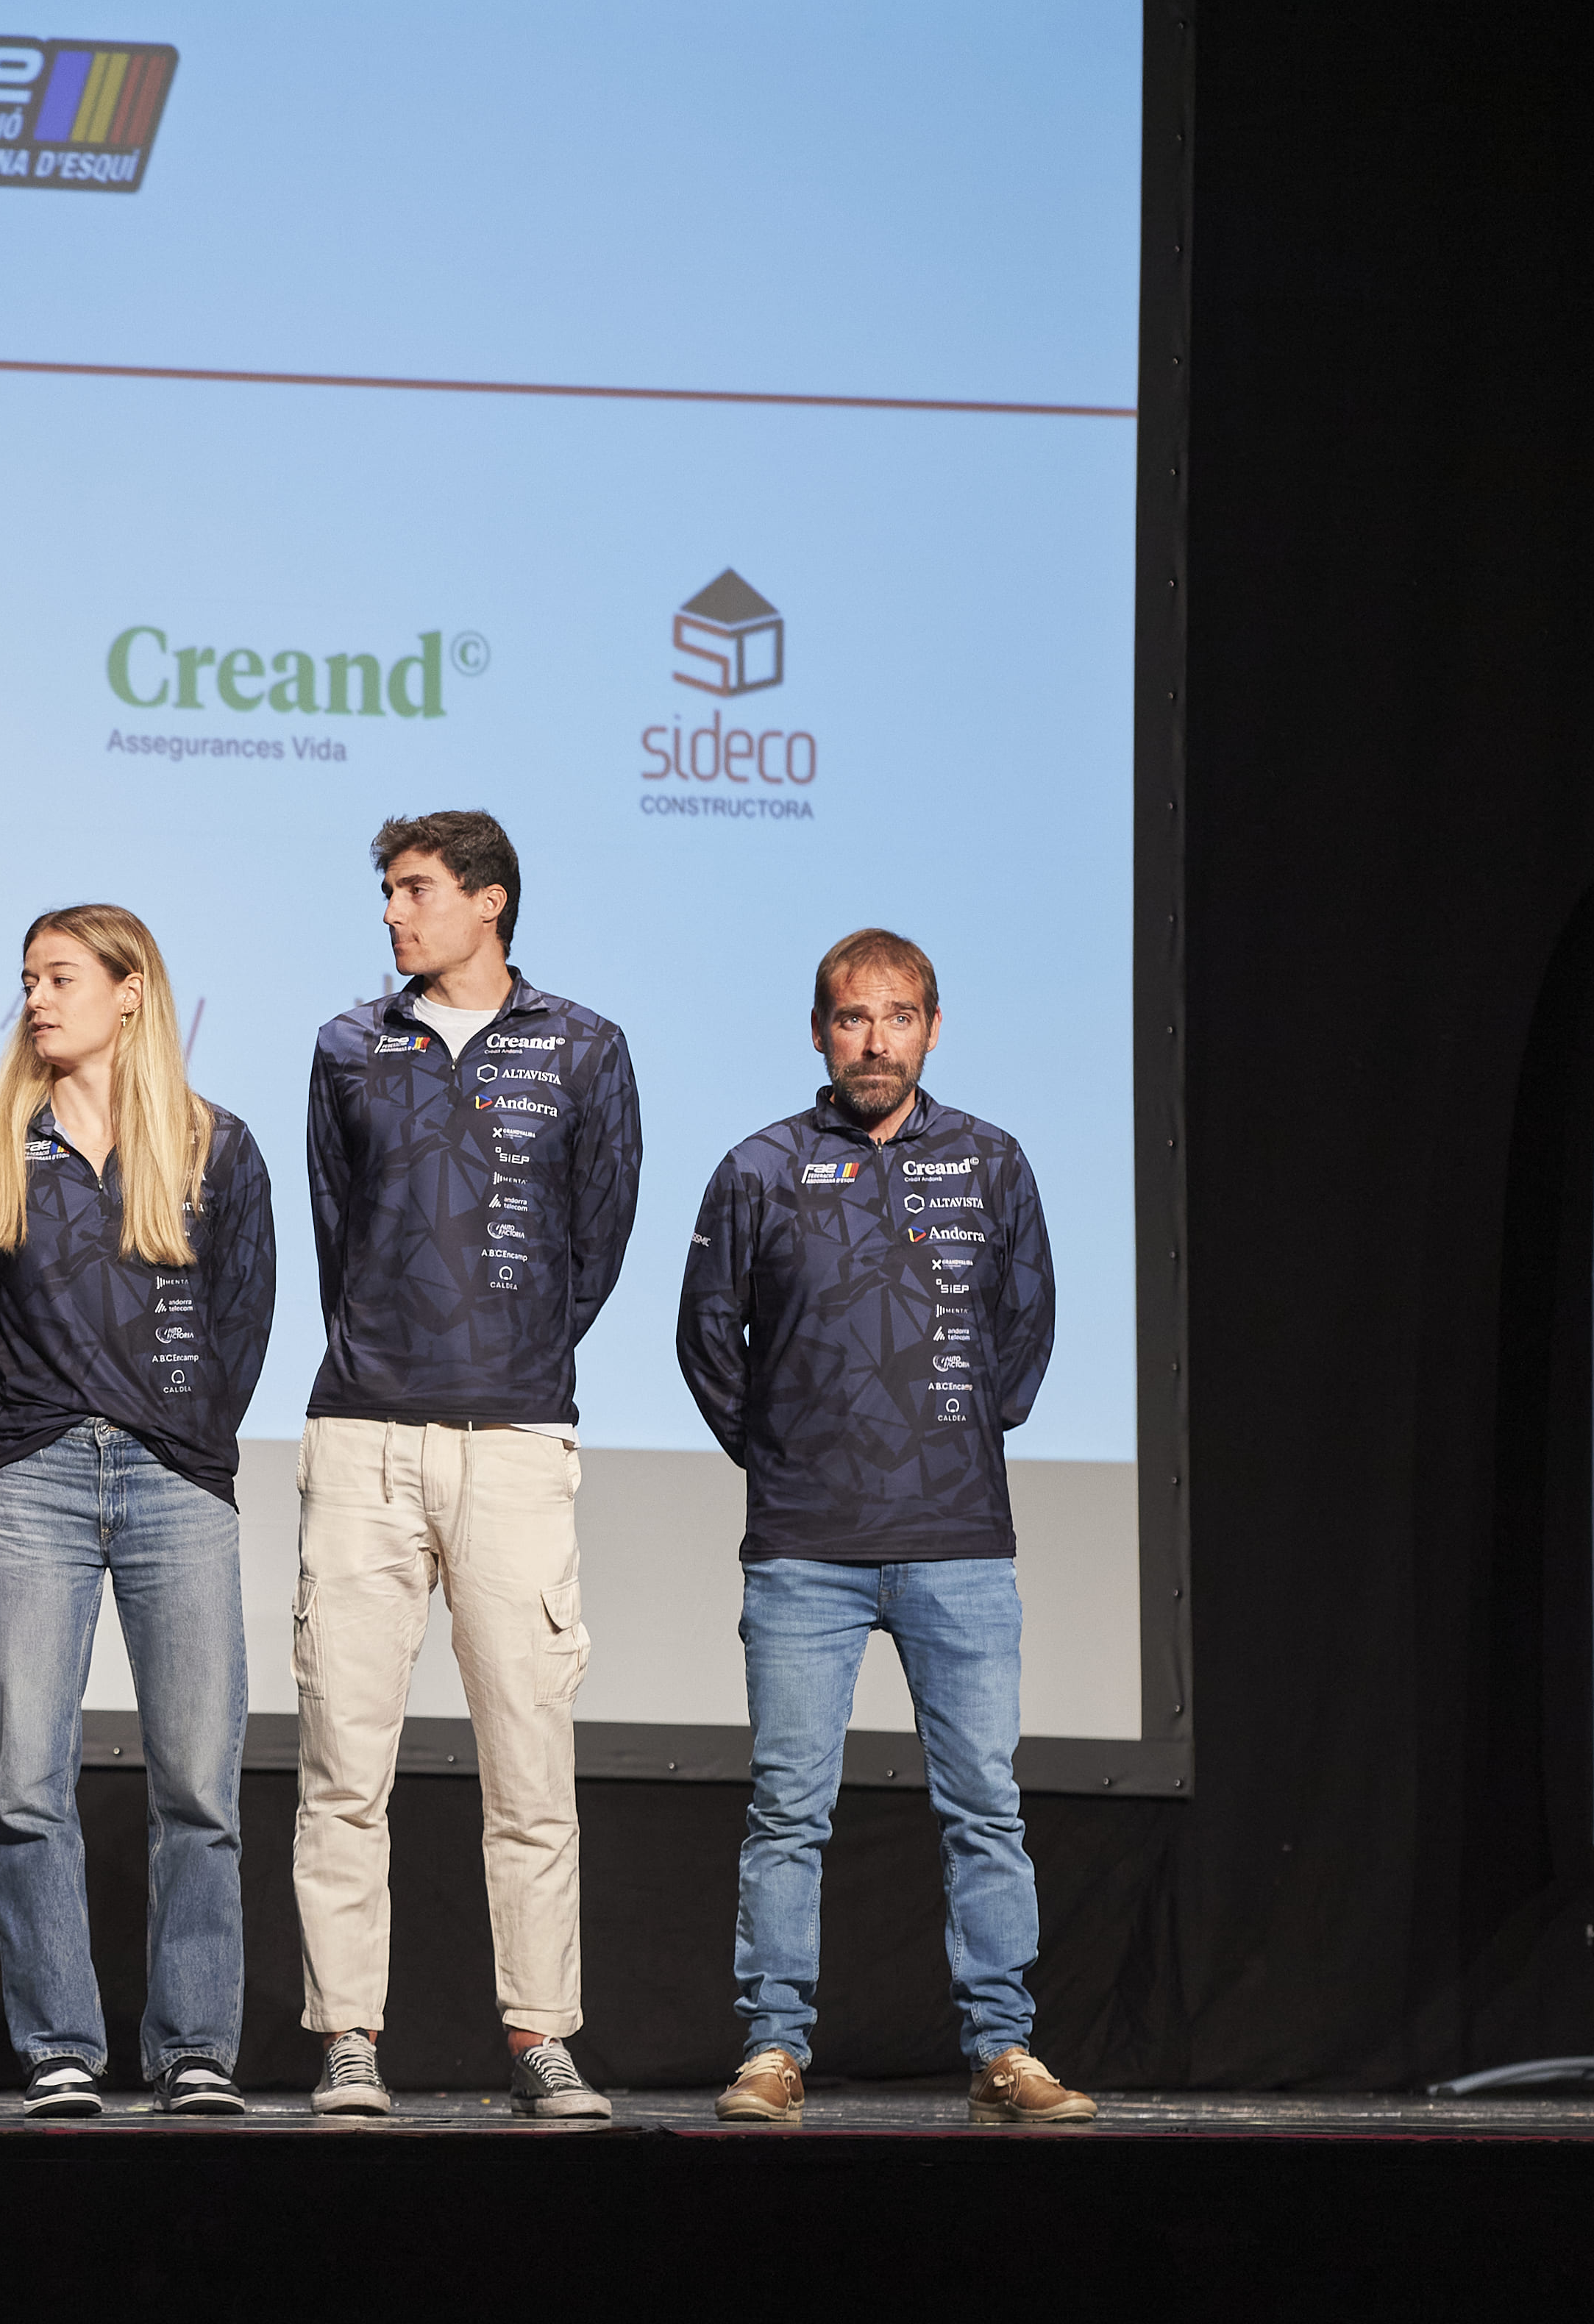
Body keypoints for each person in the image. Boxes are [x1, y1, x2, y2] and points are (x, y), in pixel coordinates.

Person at [675, 928, 1095, 2129]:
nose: (876, 1040)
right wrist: (784, 1455)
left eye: (898, 1017)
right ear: (820, 1032)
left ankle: (1004, 2048)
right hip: (803, 1549)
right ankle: (772, 2049)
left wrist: (954, 1437)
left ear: (933, 1029)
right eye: (853, 1018)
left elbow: (1026, 1330)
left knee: (985, 1807)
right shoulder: (758, 1168)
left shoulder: (993, 1162)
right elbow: (706, 1337)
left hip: (959, 1539)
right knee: (787, 1812)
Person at [292, 811, 639, 2119]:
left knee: (531, 1767)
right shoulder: (348, 1045)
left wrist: (512, 1352)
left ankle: (540, 2036)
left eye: (417, 889)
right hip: (364, 1434)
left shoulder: (584, 1046)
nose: (394, 912)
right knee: (343, 1765)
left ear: (490, 901)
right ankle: (347, 2038)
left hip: (516, 1435)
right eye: (388, 891)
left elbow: (595, 1240)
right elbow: (339, 1234)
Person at [0, 907, 277, 2120]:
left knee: (199, 1787)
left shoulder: (215, 1146)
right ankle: (61, 2047)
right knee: (26, 1784)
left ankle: (195, 2050)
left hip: (178, 1482)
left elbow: (242, 1322)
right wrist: (24, 1434)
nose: (37, 998)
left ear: (132, 993)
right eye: (27, 979)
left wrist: (184, 1435)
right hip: (38, 1484)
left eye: (61, 977)